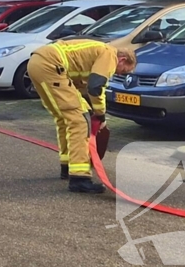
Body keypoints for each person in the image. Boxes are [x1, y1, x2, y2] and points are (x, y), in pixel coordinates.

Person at [28, 38, 137, 193]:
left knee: (64, 118)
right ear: (122, 59)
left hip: (37, 62)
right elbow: (96, 87)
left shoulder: (94, 53)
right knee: (79, 122)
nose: (119, 73)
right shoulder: (109, 54)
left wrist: (88, 107)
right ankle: (80, 178)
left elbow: (80, 88)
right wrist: (100, 114)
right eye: (124, 70)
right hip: (52, 65)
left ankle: (67, 166)